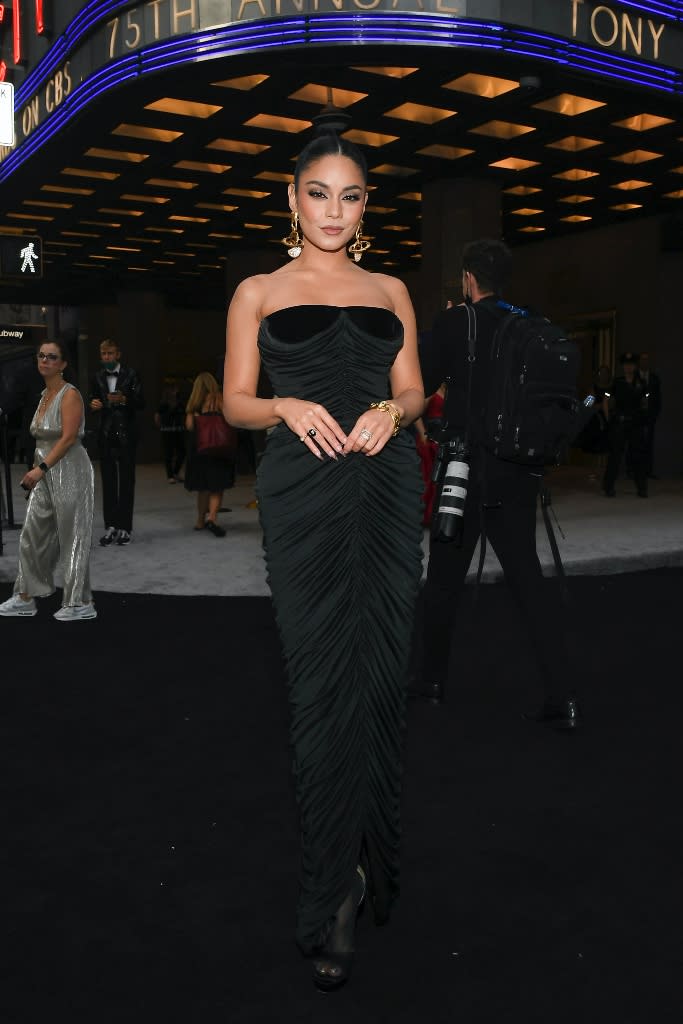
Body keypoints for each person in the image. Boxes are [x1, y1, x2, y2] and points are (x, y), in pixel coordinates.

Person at [223, 128, 425, 990]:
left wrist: (396, 410)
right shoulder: (259, 290)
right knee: (317, 689)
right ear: (291, 198)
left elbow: (414, 386)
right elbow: (233, 400)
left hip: (382, 496)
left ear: (366, 206)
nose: (334, 211)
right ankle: (327, 889)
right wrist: (283, 405)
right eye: (319, 193)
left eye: (350, 196)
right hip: (302, 501)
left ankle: (364, 866)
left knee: (378, 679)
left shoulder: (391, 287)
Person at [417, 238, 580, 730]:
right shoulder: (530, 323)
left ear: (468, 279)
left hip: (465, 470)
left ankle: (433, 681)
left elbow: (416, 386)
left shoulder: (456, 321)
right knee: (530, 582)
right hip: (518, 471)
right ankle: (562, 695)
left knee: (443, 579)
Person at [0, 340, 96, 621]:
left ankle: (80, 602)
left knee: (73, 535)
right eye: (41, 356)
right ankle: (25, 597)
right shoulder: (44, 395)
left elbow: (67, 438)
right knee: (32, 534)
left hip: (69, 469)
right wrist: (37, 470)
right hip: (43, 470)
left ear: (63, 364)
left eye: (52, 357)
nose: (45, 361)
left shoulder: (70, 395)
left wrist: (40, 469)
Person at [89, 338, 145, 547]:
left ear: (118, 354)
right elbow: (93, 399)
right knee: (109, 482)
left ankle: (125, 527)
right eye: (104, 354)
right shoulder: (97, 376)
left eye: (110, 354)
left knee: (127, 481)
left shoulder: (131, 374)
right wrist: (93, 403)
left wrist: (123, 400)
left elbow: (141, 401)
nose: (107, 358)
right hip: (106, 435)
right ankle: (111, 526)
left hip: (127, 435)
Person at [184, 372, 234, 537]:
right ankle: (212, 518)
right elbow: (230, 419)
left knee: (203, 487)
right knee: (217, 486)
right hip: (220, 449)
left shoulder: (195, 403)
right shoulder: (219, 399)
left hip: (200, 450)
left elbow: (190, 426)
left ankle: (199, 521)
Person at [603, 352, 648, 498]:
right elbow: (606, 398)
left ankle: (642, 488)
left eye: (631, 364)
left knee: (638, 456)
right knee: (615, 456)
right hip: (620, 423)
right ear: (623, 366)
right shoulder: (617, 382)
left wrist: (643, 416)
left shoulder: (640, 382)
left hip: (635, 423)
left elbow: (646, 400)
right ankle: (608, 487)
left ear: (635, 366)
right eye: (626, 364)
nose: (628, 367)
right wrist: (608, 418)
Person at [415, 383, 447, 526]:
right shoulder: (432, 391)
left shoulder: (452, 391)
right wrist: (423, 434)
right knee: (429, 477)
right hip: (430, 439)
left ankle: (438, 514)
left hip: (444, 439)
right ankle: (425, 515)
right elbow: (417, 413)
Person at [154, 382, 186, 483]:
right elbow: (157, 415)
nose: (176, 391)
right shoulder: (164, 404)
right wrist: (160, 425)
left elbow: (184, 414)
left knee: (182, 452)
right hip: (167, 431)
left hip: (178, 430)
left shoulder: (180, 403)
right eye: (174, 389)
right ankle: (170, 476)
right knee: (169, 453)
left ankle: (175, 472)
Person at [637, 351, 661, 479]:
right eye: (642, 360)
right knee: (635, 444)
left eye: (647, 360)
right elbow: (588, 402)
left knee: (648, 444)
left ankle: (647, 471)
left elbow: (658, 399)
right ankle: (634, 471)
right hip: (635, 417)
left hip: (650, 416)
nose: (644, 363)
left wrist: (655, 414)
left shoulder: (654, 378)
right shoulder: (633, 378)